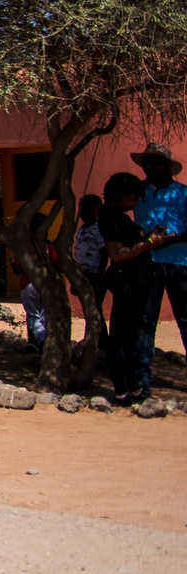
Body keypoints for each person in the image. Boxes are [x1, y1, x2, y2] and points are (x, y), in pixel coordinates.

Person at [98, 173, 165, 402]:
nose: (136, 201)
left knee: (130, 338)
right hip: (127, 285)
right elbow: (117, 255)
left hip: (136, 284)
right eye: (133, 196)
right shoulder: (111, 218)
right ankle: (122, 390)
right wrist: (148, 243)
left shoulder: (120, 218)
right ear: (122, 194)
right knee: (120, 338)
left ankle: (132, 387)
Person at [133, 140, 187, 380]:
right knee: (145, 320)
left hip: (180, 264)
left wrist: (170, 240)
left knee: (185, 318)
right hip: (147, 263)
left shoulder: (183, 193)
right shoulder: (137, 192)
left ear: (167, 166)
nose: (150, 168)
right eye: (147, 163)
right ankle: (143, 375)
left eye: (155, 163)